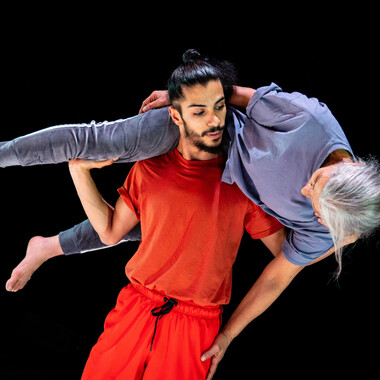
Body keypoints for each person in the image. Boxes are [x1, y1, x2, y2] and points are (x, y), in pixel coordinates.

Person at [2, 50, 379, 377]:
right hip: (202, 129)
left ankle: (48, 246)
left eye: (310, 202)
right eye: (315, 180)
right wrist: (183, 99)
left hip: (220, 191)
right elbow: (232, 95)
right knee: (98, 143)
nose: (303, 189)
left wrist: (227, 335)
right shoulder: (307, 119)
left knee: (154, 229)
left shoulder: (324, 230)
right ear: (352, 165)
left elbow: (277, 275)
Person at [66, 51, 284, 379]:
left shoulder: (242, 180)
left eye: (219, 107)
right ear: (176, 116)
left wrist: (228, 334)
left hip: (197, 327)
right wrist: (79, 172)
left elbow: (286, 255)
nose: (214, 121)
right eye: (199, 111)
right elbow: (110, 232)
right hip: (134, 311)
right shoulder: (150, 168)